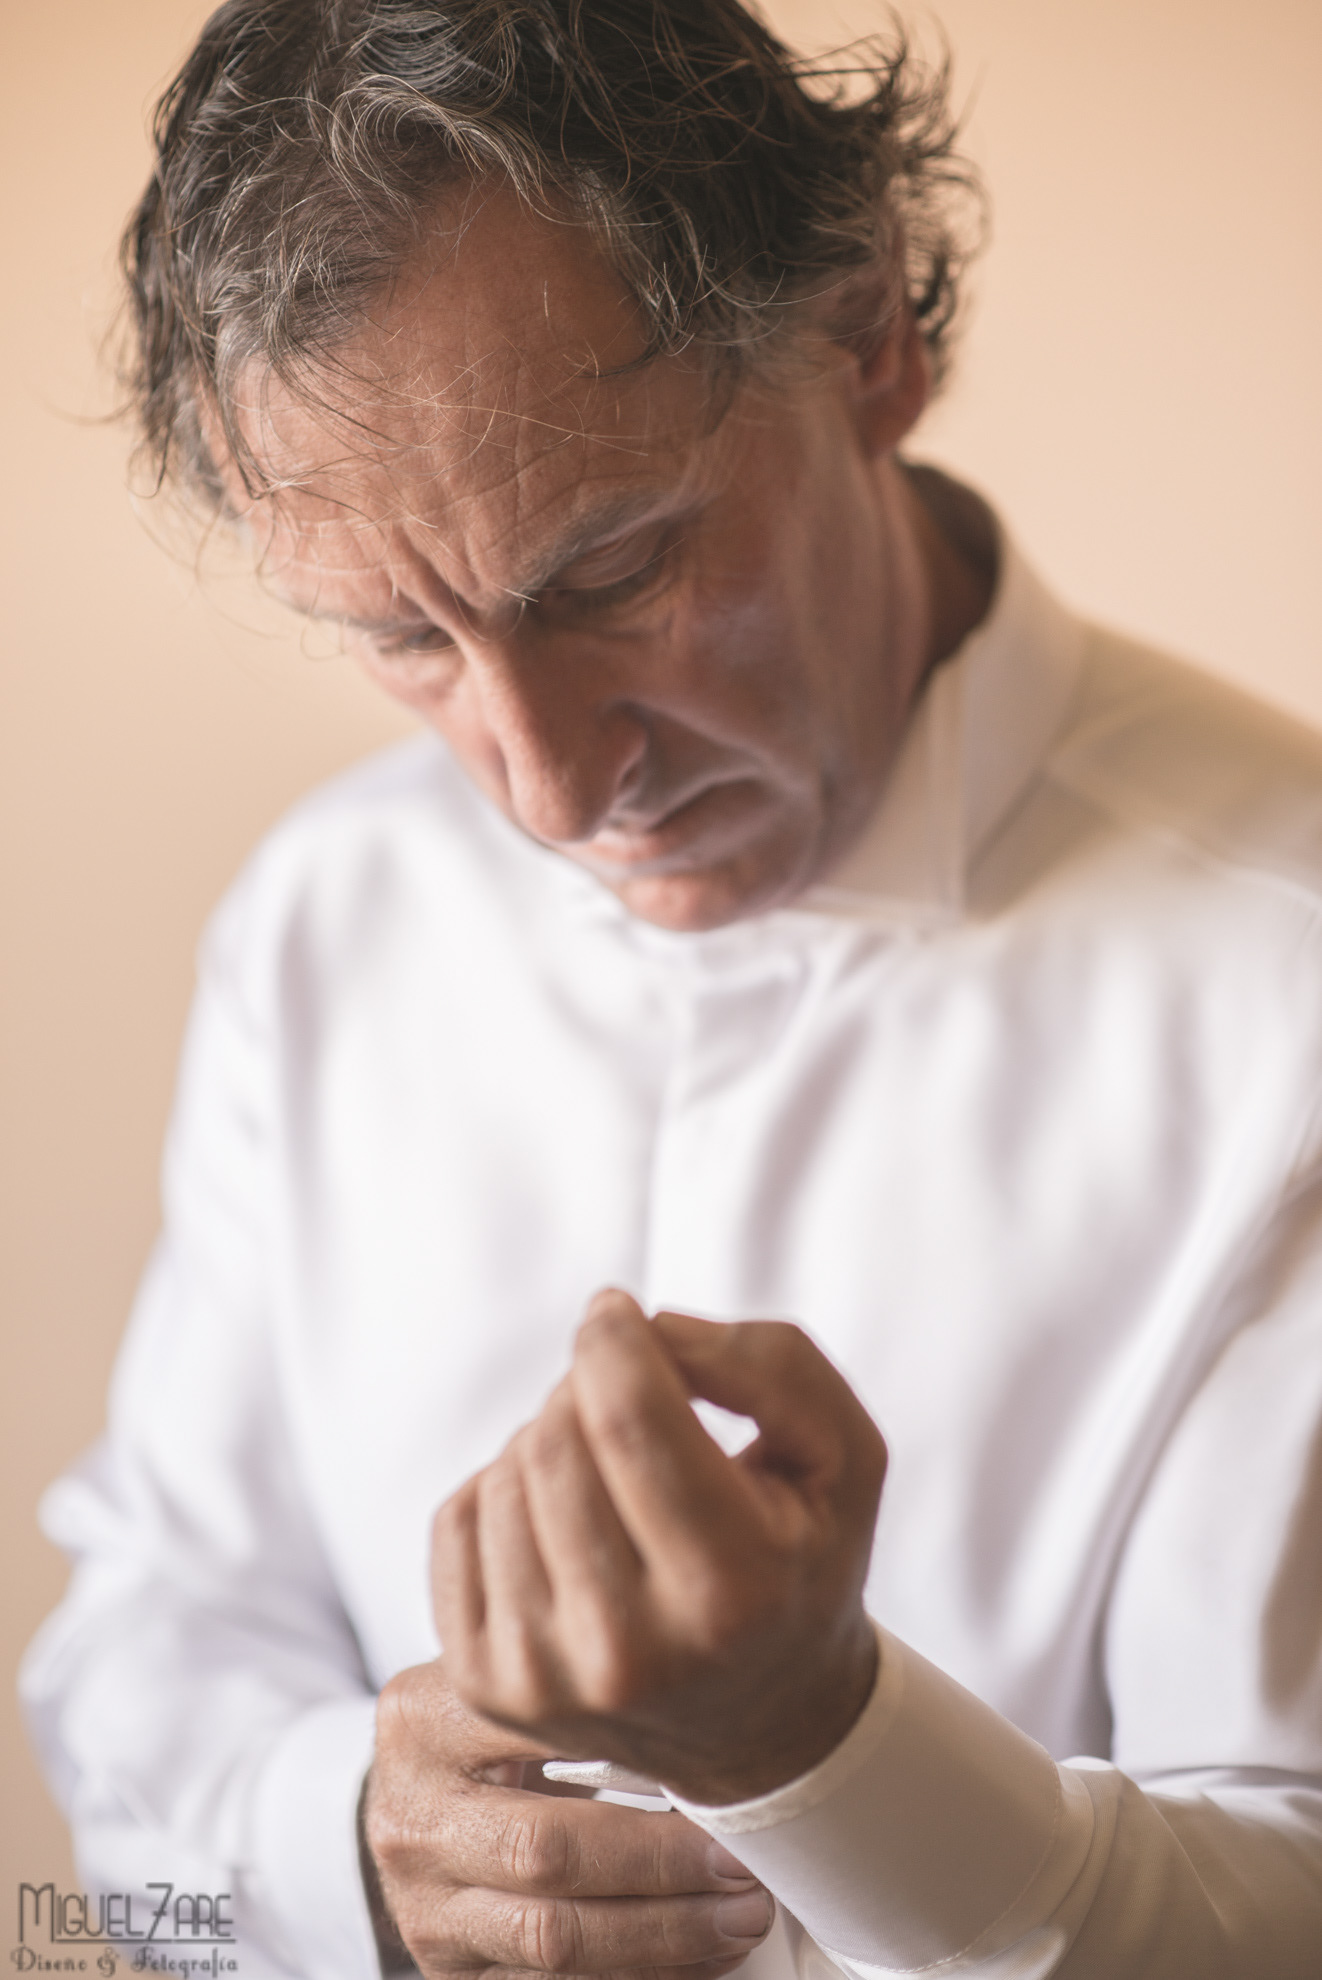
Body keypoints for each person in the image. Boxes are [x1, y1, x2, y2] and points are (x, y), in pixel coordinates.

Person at [20, 2, 1322, 1975]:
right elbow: (150, 1642)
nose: (547, 791)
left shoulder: (1288, 991)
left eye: (613, 571)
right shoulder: (323, 915)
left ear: (866, 337)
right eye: (401, 638)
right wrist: (345, 1854)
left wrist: (821, 1754)